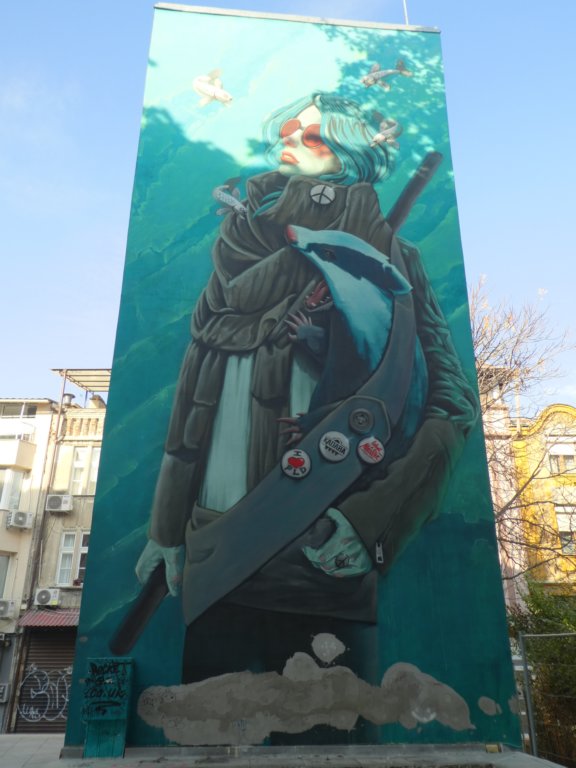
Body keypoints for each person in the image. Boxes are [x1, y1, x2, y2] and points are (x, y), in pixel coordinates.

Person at [135, 93, 478, 690]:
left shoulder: (392, 259)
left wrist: (374, 520)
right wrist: (165, 528)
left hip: (322, 556)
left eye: (312, 136)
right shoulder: (237, 251)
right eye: (288, 129)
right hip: (215, 556)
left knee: (329, 725)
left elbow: (452, 403)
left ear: (350, 155)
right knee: (209, 722)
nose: (290, 141)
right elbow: (195, 394)